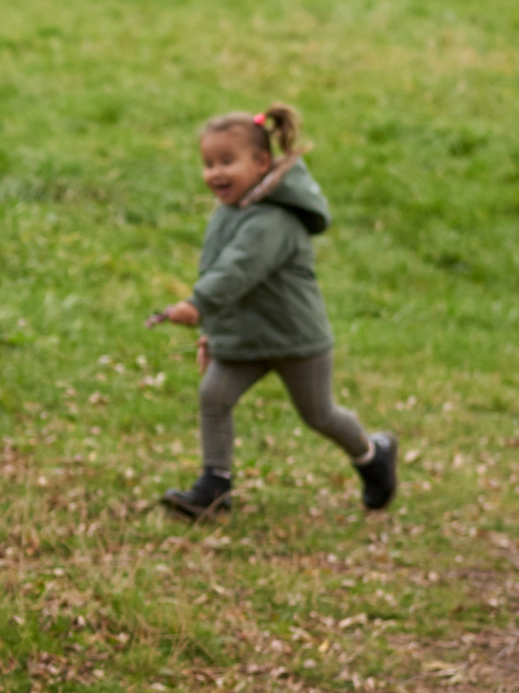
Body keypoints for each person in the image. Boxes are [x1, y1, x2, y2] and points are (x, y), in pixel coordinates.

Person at [149, 103, 395, 520]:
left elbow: (236, 271)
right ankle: (214, 486)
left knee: (319, 414)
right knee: (214, 395)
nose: (216, 173)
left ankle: (373, 455)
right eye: (209, 164)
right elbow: (221, 274)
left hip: (294, 340)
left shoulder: (273, 221)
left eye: (228, 161)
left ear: (262, 162)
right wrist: (214, 330)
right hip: (246, 338)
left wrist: (196, 305)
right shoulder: (230, 212)